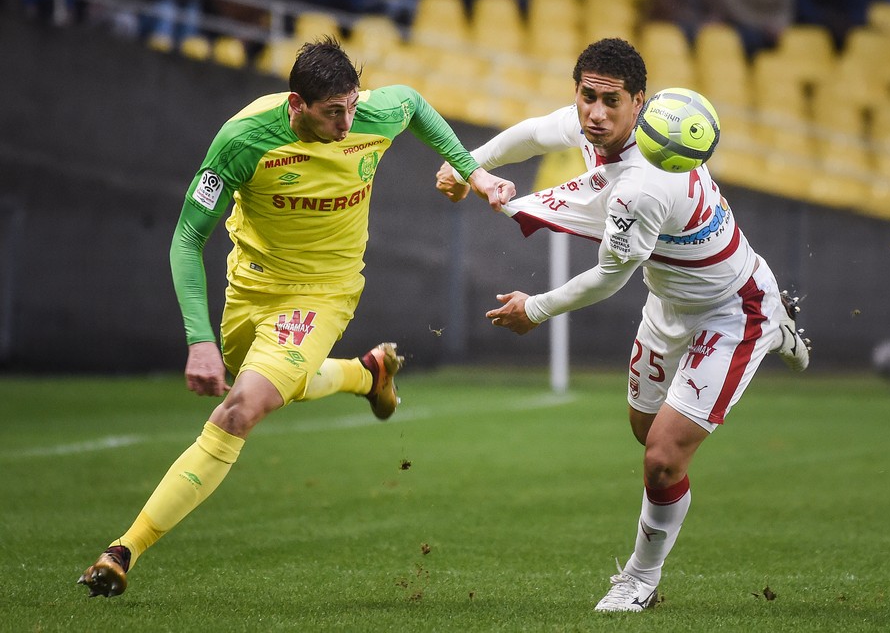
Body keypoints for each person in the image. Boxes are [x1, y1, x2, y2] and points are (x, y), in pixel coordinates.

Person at [78, 35, 515, 598]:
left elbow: (416, 105)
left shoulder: (371, 115)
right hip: (252, 287)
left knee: (241, 409)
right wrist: (200, 340)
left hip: (323, 292)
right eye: (334, 112)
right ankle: (366, 374)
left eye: (353, 107)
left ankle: (123, 550)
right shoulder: (244, 139)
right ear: (296, 105)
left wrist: (473, 173)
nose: (347, 122)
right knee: (261, 381)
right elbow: (187, 239)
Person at [436, 37, 810, 612]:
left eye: (612, 101)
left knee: (661, 457)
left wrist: (535, 308)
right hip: (667, 307)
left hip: (733, 310)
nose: (596, 113)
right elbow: (535, 132)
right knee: (643, 429)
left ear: (640, 102)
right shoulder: (596, 128)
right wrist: (471, 165)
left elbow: (608, 279)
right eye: (587, 97)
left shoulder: (644, 181)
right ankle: (775, 332)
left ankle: (640, 578)